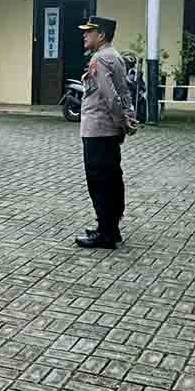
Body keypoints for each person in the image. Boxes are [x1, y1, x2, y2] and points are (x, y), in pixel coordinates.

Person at [75, 17, 137, 250]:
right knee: (111, 179)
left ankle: (105, 233)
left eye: (89, 32)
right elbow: (124, 92)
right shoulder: (115, 56)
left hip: (99, 129)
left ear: (101, 35)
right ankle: (111, 227)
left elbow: (110, 96)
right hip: (107, 130)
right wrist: (127, 118)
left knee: (99, 182)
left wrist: (122, 122)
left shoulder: (100, 58)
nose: (84, 35)